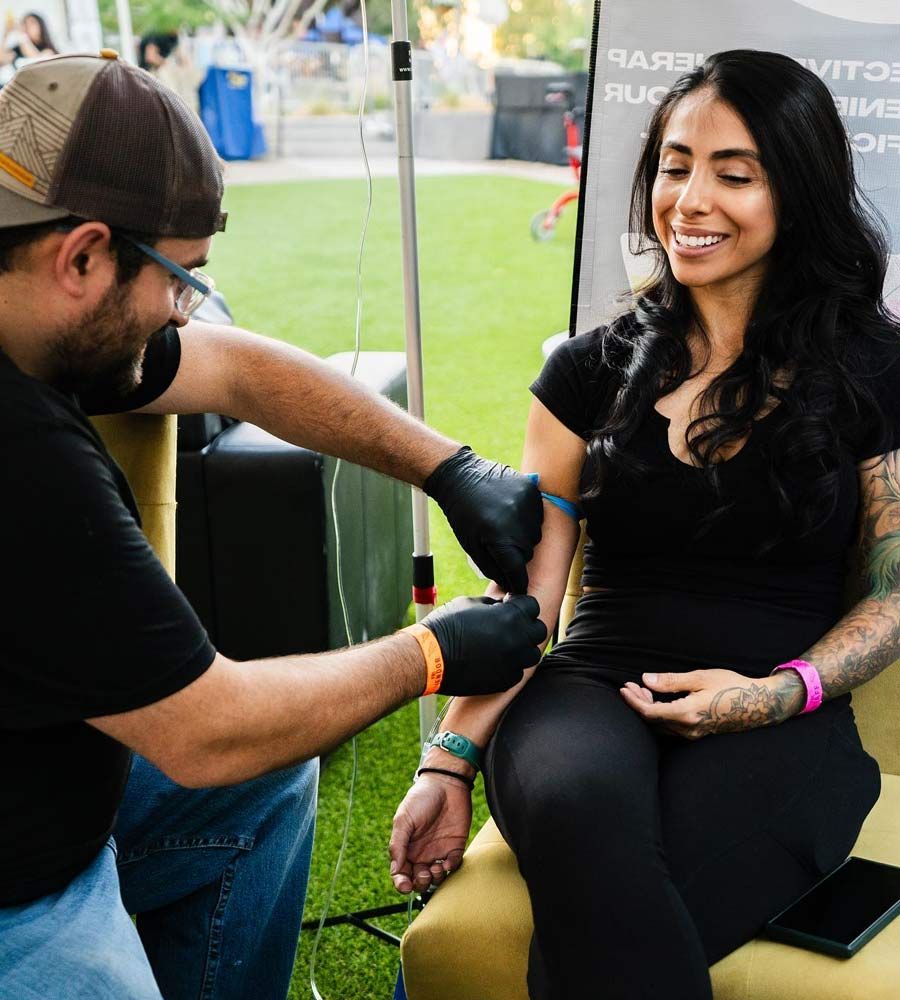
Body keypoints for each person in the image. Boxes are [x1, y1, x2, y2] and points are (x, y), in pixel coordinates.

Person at [0, 53, 548, 1000]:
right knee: (236, 762)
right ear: (84, 254)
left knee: (264, 787)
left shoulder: (36, 314)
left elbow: (235, 369)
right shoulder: (29, 466)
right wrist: (432, 653)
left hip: (44, 779)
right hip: (20, 882)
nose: (182, 309)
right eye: (180, 276)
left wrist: (449, 467)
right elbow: (206, 732)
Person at [389, 48, 900, 999]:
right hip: (586, 692)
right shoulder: (583, 372)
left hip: (782, 712)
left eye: (733, 174)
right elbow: (529, 598)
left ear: (801, 188)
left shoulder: (876, 368)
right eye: (674, 165)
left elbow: (894, 590)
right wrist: (449, 762)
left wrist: (774, 694)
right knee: (581, 812)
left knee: (610, 915)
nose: (690, 199)